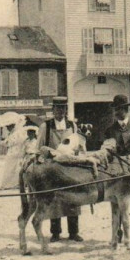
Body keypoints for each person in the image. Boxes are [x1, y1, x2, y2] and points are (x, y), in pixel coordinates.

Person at [38, 96, 82, 242]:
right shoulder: (46, 126)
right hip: (53, 168)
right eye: (57, 108)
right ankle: (55, 233)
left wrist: (76, 154)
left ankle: (73, 232)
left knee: (73, 198)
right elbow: (40, 148)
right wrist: (51, 154)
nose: (60, 111)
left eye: (63, 108)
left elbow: (78, 145)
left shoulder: (72, 125)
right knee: (55, 200)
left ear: (66, 110)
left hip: (70, 167)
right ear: (53, 109)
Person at [103, 94, 130, 242]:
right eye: (115, 109)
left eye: (119, 109)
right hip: (117, 172)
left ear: (126, 109)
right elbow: (106, 150)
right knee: (117, 202)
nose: (116, 112)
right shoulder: (110, 130)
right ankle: (118, 234)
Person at [0, 113, 29, 190]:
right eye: (7, 126)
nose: (7, 128)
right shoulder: (11, 133)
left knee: (16, 169)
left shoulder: (19, 132)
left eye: (9, 126)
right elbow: (7, 142)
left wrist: (6, 143)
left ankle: (16, 184)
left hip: (17, 152)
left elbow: (12, 142)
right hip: (12, 153)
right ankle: (9, 184)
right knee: (9, 169)